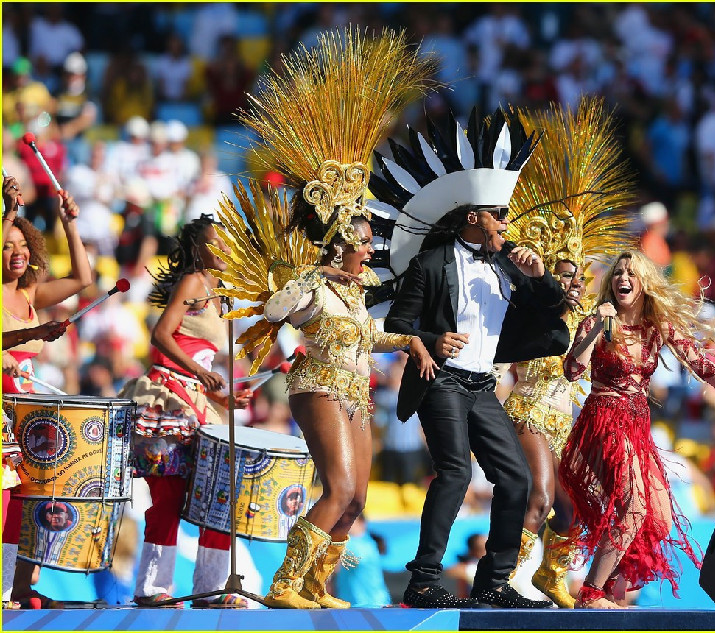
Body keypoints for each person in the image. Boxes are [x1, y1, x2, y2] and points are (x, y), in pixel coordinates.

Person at [223, 27, 437, 610]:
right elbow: (272, 310)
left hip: (356, 389)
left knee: (359, 498)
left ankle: (317, 584)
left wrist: (413, 342)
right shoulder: (318, 286)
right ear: (341, 242)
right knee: (338, 486)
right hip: (316, 383)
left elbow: (371, 336)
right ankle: (286, 582)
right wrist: (308, 277)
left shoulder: (358, 292)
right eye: (363, 242)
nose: (371, 250)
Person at [375, 107, 568, 609]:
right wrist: (432, 339)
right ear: (471, 218)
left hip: (483, 384)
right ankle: (423, 578)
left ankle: (496, 580)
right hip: (442, 380)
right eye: (497, 215)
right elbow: (398, 322)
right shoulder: (431, 263)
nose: (506, 222)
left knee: (516, 479)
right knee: (456, 473)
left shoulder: (512, 263)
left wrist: (541, 275)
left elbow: (555, 313)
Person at [559, 250, 715, 609]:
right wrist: (596, 328)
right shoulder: (599, 322)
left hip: (637, 425)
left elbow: (703, 365)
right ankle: (591, 593)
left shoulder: (657, 328)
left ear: (643, 284)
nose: (622, 278)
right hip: (604, 421)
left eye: (631, 274)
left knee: (657, 515)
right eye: (618, 273)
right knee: (633, 507)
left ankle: (611, 586)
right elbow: (572, 371)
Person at [499, 99, 634, 609]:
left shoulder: (592, 318)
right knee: (538, 496)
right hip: (531, 409)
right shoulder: (531, 310)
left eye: (579, 275)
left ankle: (550, 576)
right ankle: (506, 579)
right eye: (565, 274)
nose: (574, 282)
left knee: (577, 506)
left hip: (569, 419)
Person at [120, 215, 252, 609]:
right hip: (171, 399)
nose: (225, 249)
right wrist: (200, 373)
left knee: (218, 496)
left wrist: (225, 398)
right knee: (170, 497)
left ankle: (210, 588)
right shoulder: (194, 282)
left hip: (199, 402)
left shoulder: (220, 292)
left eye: (227, 241)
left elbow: (201, 356)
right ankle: (151, 587)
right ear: (199, 250)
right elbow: (161, 334)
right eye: (217, 243)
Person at [3, 177, 88, 610]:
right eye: (5, 244)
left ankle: (15, 589)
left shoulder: (30, 293)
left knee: (22, 509)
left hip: (26, 416)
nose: (15, 252)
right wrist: (10, 215)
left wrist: (69, 224)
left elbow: (82, 278)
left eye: (21, 245)